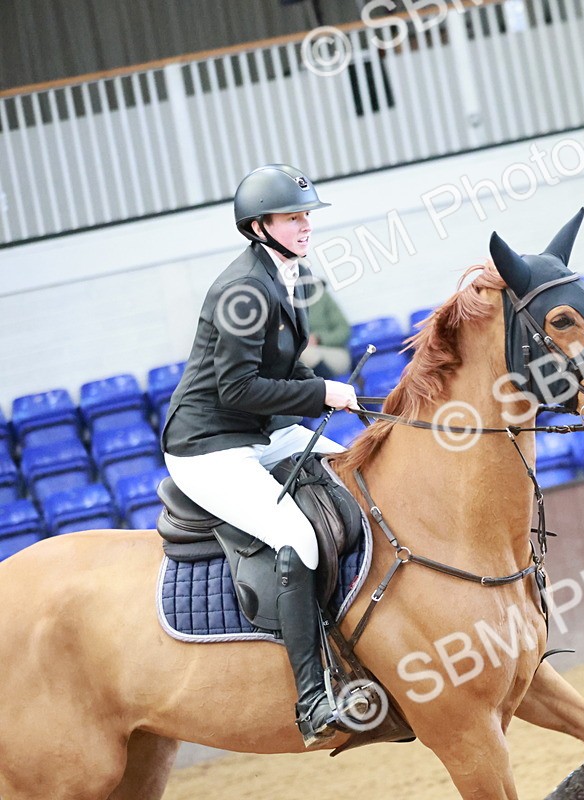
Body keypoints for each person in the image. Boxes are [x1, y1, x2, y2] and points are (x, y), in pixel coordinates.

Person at [159, 163, 358, 747]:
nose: (305, 225)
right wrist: (320, 393)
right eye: (292, 217)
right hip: (208, 446)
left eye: (306, 216)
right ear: (258, 226)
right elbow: (236, 389)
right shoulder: (242, 290)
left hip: (263, 431)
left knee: (359, 474)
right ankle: (312, 697)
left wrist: (337, 394)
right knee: (295, 536)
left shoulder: (289, 274)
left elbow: (281, 370)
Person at [298, 277, 352, 379]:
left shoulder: (321, 296)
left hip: (332, 352)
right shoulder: (280, 302)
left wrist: (319, 338)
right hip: (298, 359)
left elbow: (344, 330)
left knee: (306, 354)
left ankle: (332, 385)